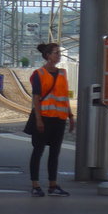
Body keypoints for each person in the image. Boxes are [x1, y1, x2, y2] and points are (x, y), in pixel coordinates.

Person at [28, 41, 75, 197]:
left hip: (59, 119)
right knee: (38, 151)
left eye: (59, 53)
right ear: (48, 56)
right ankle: (35, 185)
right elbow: (36, 98)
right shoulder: (39, 74)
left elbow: (64, 96)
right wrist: (39, 119)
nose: (59, 55)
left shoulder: (62, 73)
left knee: (55, 153)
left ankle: (52, 185)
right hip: (45, 118)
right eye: (56, 52)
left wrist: (70, 115)